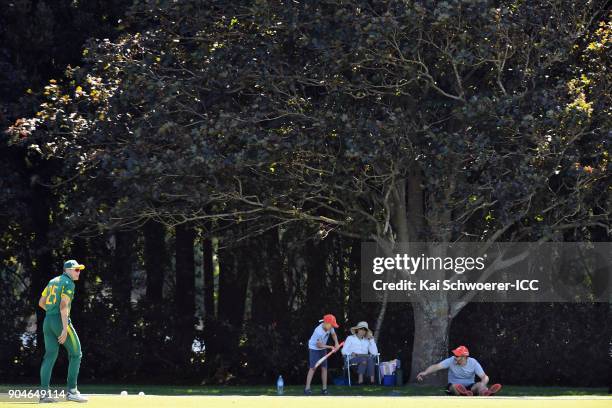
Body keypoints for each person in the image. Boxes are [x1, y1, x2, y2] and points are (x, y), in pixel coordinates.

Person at [38, 260, 88, 403]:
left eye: (79, 270)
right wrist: (65, 328)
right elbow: (63, 305)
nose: (79, 272)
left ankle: (44, 395)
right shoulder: (68, 283)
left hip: (48, 321)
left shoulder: (53, 281)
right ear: (68, 270)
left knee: (49, 356)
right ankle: (72, 392)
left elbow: (41, 302)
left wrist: (52, 313)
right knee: (76, 353)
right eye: (76, 270)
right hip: (60, 321)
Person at [416, 345, 502, 396]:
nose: (455, 357)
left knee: (480, 385)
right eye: (455, 355)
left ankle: (485, 392)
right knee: (455, 387)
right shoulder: (451, 360)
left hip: (470, 387)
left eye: (457, 356)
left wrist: (483, 384)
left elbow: (484, 377)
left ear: (464, 357)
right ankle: (465, 394)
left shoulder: (473, 362)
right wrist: (425, 372)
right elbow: (437, 366)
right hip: (453, 385)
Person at [304, 314, 340, 395]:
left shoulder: (330, 327)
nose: (332, 327)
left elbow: (333, 334)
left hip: (322, 348)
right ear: (326, 323)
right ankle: (307, 389)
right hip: (314, 348)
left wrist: (337, 343)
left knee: (324, 367)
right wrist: (330, 346)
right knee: (313, 368)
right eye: (331, 325)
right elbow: (318, 345)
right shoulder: (318, 331)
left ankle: (324, 389)